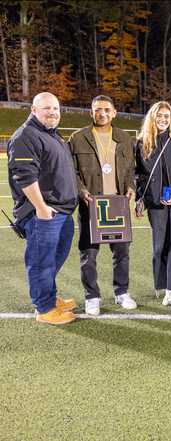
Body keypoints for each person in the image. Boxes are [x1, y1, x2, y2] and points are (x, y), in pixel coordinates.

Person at [8, 92, 78, 324]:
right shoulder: (26, 136)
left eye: (56, 108)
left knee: (54, 258)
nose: (52, 112)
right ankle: (45, 309)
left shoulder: (50, 135)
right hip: (44, 214)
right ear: (33, 110)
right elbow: (24, 176)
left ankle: (49, 295)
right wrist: (41, 208)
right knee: (41, 261)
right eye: (46, 108)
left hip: (61, 211)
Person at [68, 95, 137, 316]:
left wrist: (131, 187)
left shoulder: (125, 138)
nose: (102, 113)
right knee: (88, 253)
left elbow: (131, 171)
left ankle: (122, 292)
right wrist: (82, 191)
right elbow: (72, 172)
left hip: (117, 203)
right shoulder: (78, 138)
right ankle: (92, 296)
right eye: (98, 109)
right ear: (91, 112)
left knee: (122, 253)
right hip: (92, 204)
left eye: (107, 109)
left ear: (114, 112)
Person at [135, 101, 171, 313]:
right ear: (152, 117)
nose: (163, 119)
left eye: (167, 116)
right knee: (160, 245)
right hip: (155, 201)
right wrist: (140, 199)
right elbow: (139, 175)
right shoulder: (142, 142)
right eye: (159, 115)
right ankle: (168, 287)